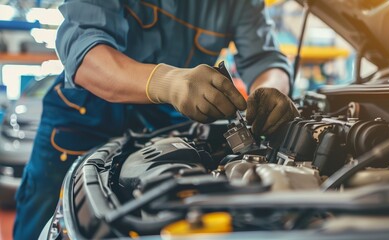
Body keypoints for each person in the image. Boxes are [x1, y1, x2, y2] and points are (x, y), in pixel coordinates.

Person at [14, 0, 299, 238]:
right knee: (45, 211)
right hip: (83, 117)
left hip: (163, 123)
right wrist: (168, 82)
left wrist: (270, 89)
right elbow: (83, 49)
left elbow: (265, 59)